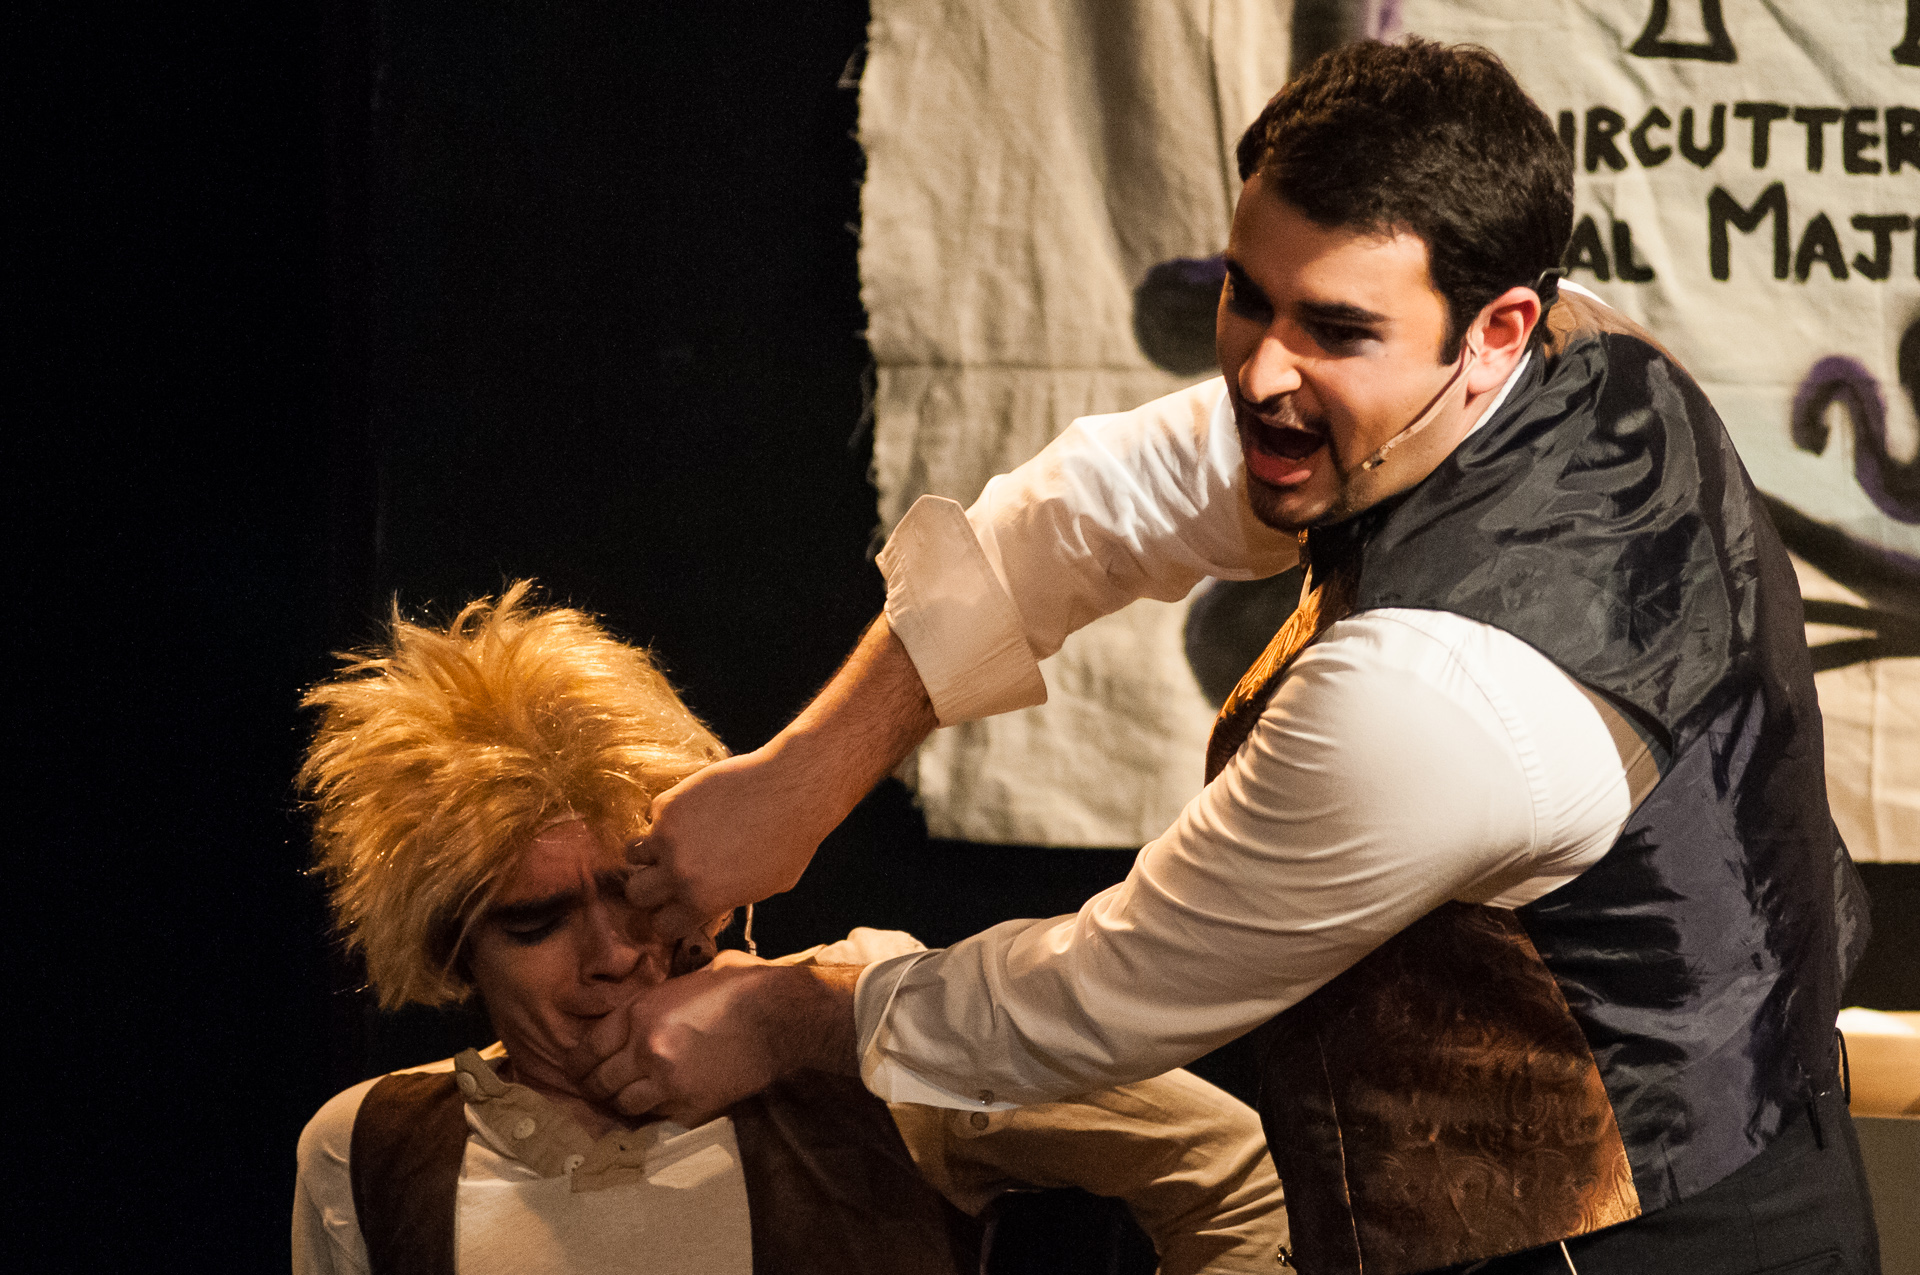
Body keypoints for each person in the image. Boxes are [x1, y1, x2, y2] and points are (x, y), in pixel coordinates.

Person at [573, 39, 1881, 1275]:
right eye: (1248, 298)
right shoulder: (1572, 355)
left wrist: (796, 1013)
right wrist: (804, 776)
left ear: (1494, 329)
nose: (1261, 374)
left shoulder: (1425, 702)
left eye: (1336, 329)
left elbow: (1103, 993)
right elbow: (1101, 506)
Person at [291, 583, 1288, 1275]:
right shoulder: (373, 1148)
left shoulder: (848, 1027)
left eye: (632, 891)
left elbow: (1237, 1173)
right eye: (534, 922)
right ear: (453, 943)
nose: (612, 954)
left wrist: (807, 1018)